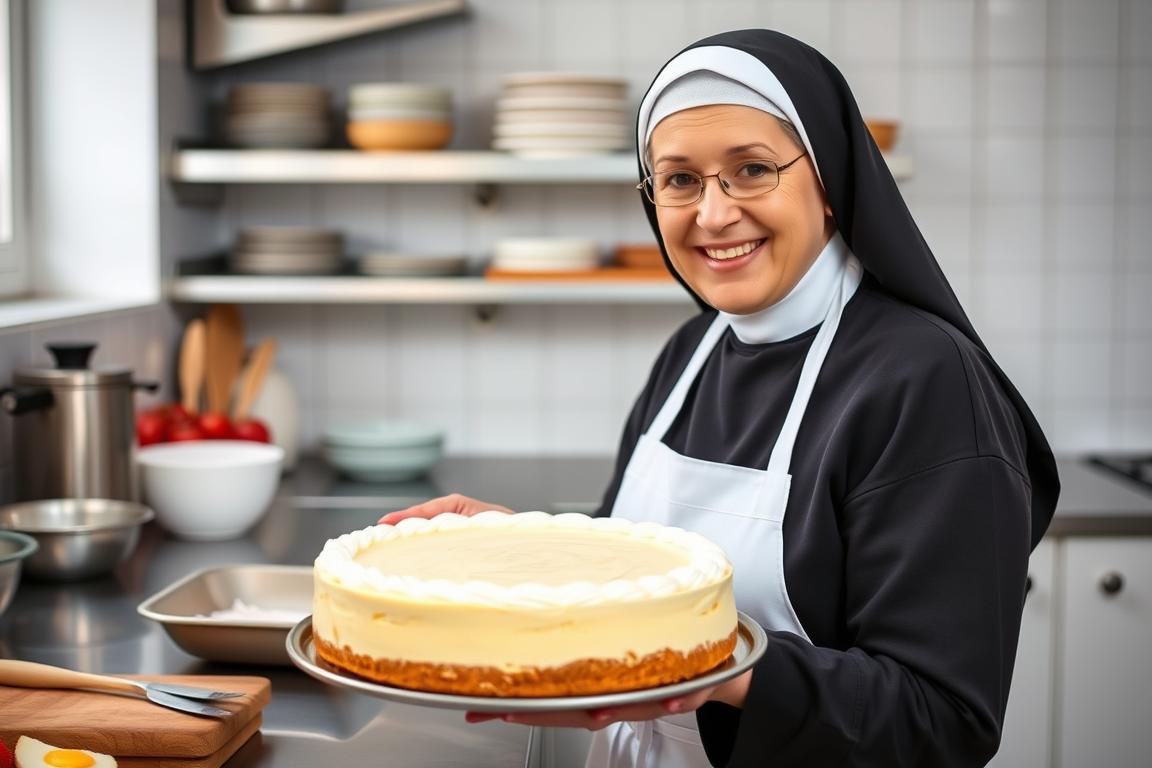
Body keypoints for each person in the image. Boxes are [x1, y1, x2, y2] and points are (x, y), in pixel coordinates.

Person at [380, 29, 1059, 768]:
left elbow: (942, 721)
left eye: (752, 170)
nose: (712, 214)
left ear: (830, 182)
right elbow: (626, 591)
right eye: (678, 180)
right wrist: (531, 553)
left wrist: (716, 667)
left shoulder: (924, 383)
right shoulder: (693, 351)